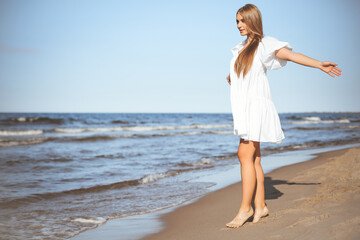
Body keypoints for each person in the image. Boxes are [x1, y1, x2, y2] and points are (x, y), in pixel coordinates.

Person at [225, 4, 342, 228]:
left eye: (242, 20)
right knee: (254, 158)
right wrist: (232, 76)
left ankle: (245, 208)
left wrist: (319, 64)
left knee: (243, 154)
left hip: (255, 107)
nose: (239, 25)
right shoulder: (242, 47)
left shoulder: (263, 43)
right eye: (237, 21)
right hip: (244, 107)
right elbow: (244, 73)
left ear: (253, 20)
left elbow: (291, 55)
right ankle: (260, 206)